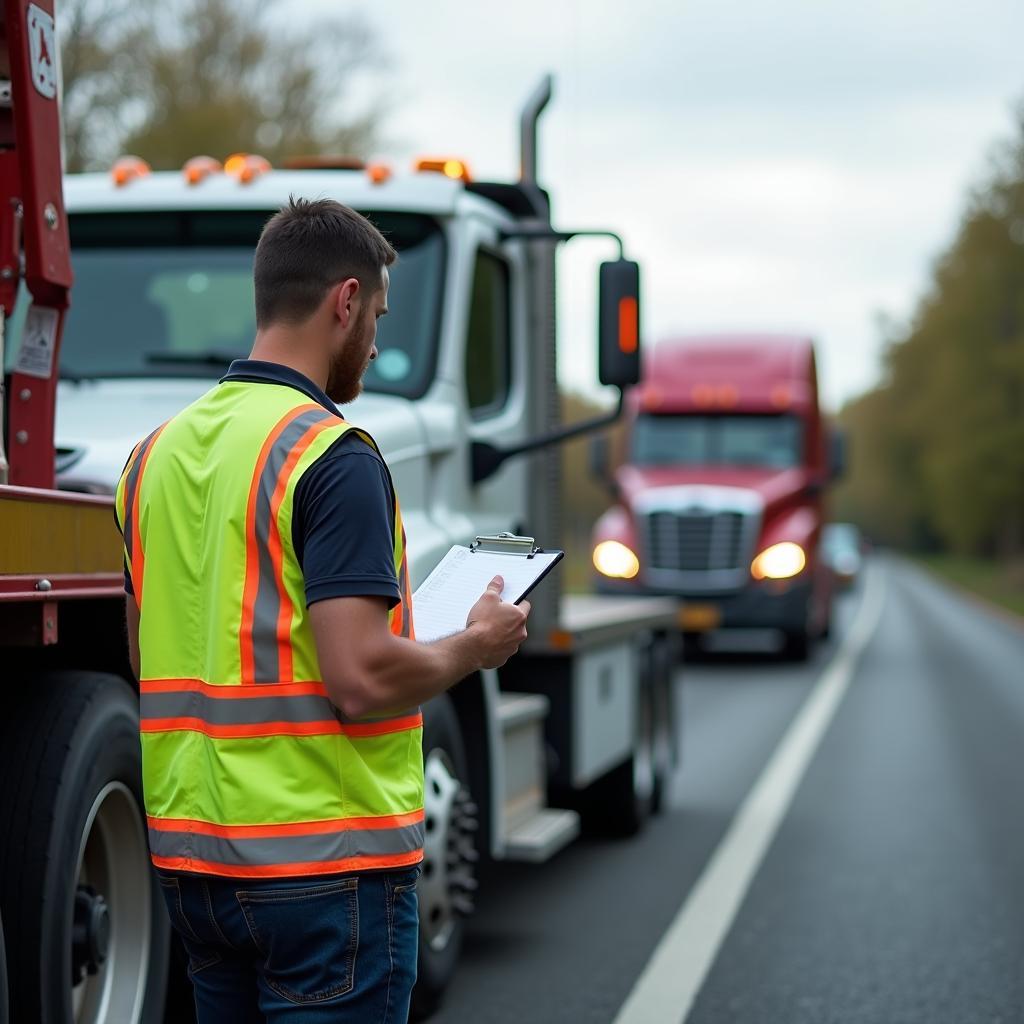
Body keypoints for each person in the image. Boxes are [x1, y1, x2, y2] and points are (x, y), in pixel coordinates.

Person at [114, 197, 530, 1022]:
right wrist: (476, 645)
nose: (374, 343)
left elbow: (146, 655)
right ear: (344, 302)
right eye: (374, 316)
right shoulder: (331, 457)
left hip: (195, 868)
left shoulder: (150, 456)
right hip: (323, 870)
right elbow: (362, 676)